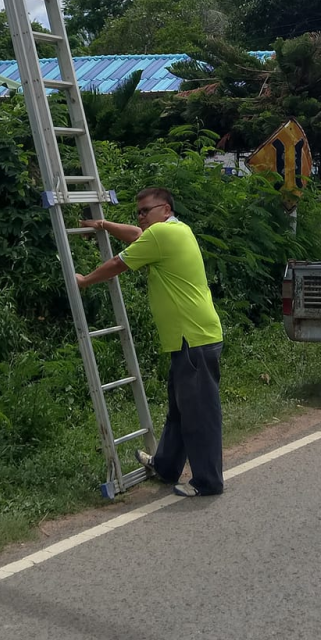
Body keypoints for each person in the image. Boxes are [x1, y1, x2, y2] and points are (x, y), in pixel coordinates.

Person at [79, 187, 224, 497]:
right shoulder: (172, 230)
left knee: (199, 414)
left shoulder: (162, 235)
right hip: (188, 339)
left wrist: (84, 281)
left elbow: (118, 263)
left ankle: (207, 482)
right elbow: (135, 235)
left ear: (166, 210)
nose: (141, 217)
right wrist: (104, 226)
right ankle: (166, 465)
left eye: (147, 210)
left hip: (193, 338)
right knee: (180, 409)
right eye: (139, 212)